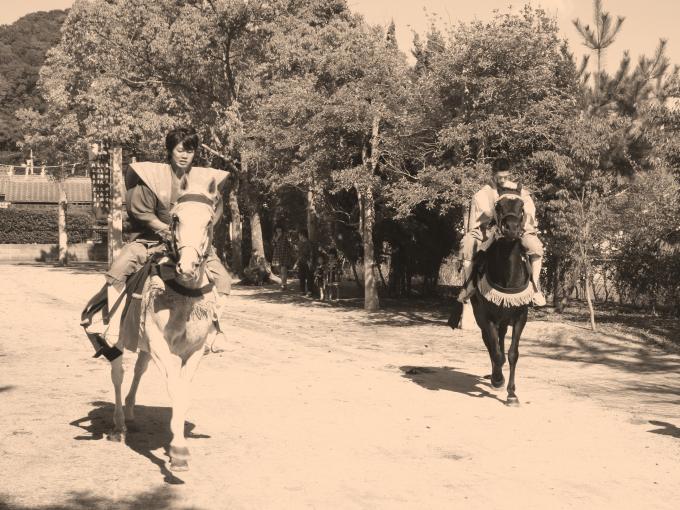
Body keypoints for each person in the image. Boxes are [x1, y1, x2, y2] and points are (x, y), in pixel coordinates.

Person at [90, 126, 232, 353]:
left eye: (190, 150)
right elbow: (140, 211)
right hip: (153, 238)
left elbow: (214, 213)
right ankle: (112, 323)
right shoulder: (152, 178)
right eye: (180, 150)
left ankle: (213, 330)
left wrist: (195, 235)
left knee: (224, 280)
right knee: (121, 265)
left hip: (189, 243)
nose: (185, 155)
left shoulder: (203, 181)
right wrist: (164, 228)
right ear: (170, 150)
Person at [458, 157, 546, 306]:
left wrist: (522, 225)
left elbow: (530, 212)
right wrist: (487, 220)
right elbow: (477, 219)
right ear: (493, 174)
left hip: (516, 230)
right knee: (467, 244)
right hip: (488, 231)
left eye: (506, 176)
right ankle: (469, 286)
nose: (503, 180)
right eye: (499, 177)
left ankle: (535, 289)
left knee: (536, 247)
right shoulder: (482, 194)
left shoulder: (519, 191)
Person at [271, 225, 293, 290]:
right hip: (277, 254)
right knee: (279, 270)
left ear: (282, 229)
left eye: (279, 228)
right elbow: (272, 244)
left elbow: (290, 244)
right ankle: (284, 283)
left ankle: (283, 285)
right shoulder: (275, 236)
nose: (278, 230)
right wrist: (276, 239)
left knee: (283, 270)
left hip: (284, 254)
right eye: (277, 228)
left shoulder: (285, 235)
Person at [295, 229, 313, 295]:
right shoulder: (299, 243)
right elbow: (298, 254)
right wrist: (296, 262)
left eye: (300, 235)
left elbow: (311, 253)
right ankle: (302, 290)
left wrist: (310, 261)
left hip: (307, 262)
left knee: (309, 276)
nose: (299, 236)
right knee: (301, 276)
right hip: (301, 261)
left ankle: (309, 291)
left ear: (303, 235)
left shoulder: (309, 243)